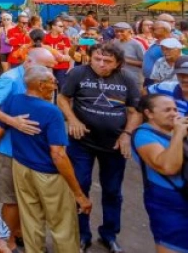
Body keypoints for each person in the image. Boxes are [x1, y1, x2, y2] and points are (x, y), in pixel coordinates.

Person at [0, 66, 91, 253]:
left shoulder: (14, 100)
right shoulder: (52, 112)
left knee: (30, 219)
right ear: (41, 85)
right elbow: (58, 154)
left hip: (21, 168)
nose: (55, 84)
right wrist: (78, 194)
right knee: (62, 223)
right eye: (52, 81)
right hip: (48, 174)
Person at [57, 42, 142, 253]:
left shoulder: (127, 79)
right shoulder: (78, 73)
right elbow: (62, 98)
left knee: (112, 191)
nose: (101, 64)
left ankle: (109, 234)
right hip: (81, 143)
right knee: (80, 187)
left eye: (107, 61)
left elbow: (135, 111)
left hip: (113, 145)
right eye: (97, 59)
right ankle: (82, 234)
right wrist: (72, 120)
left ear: (118, 64)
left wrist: (127, 134)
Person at [0, 47, 55, 247]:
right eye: (47, 67)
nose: (51, 73)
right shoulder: (11, 79)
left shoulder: (38, 80)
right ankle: (6, 242)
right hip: (7, 150)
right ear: (29, 62)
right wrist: (11, 121)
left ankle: (18, 233)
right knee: (11, 199)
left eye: (52, 69)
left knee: (26, 199)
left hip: (28, 151)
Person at [131, 94, 188, 253]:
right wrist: (178, 134)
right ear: (149, 113)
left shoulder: (177, 132)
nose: (174, 113)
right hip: (168, 205)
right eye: (167, 110)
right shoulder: (143, 135)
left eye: (175, 109)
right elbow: (168, 167)